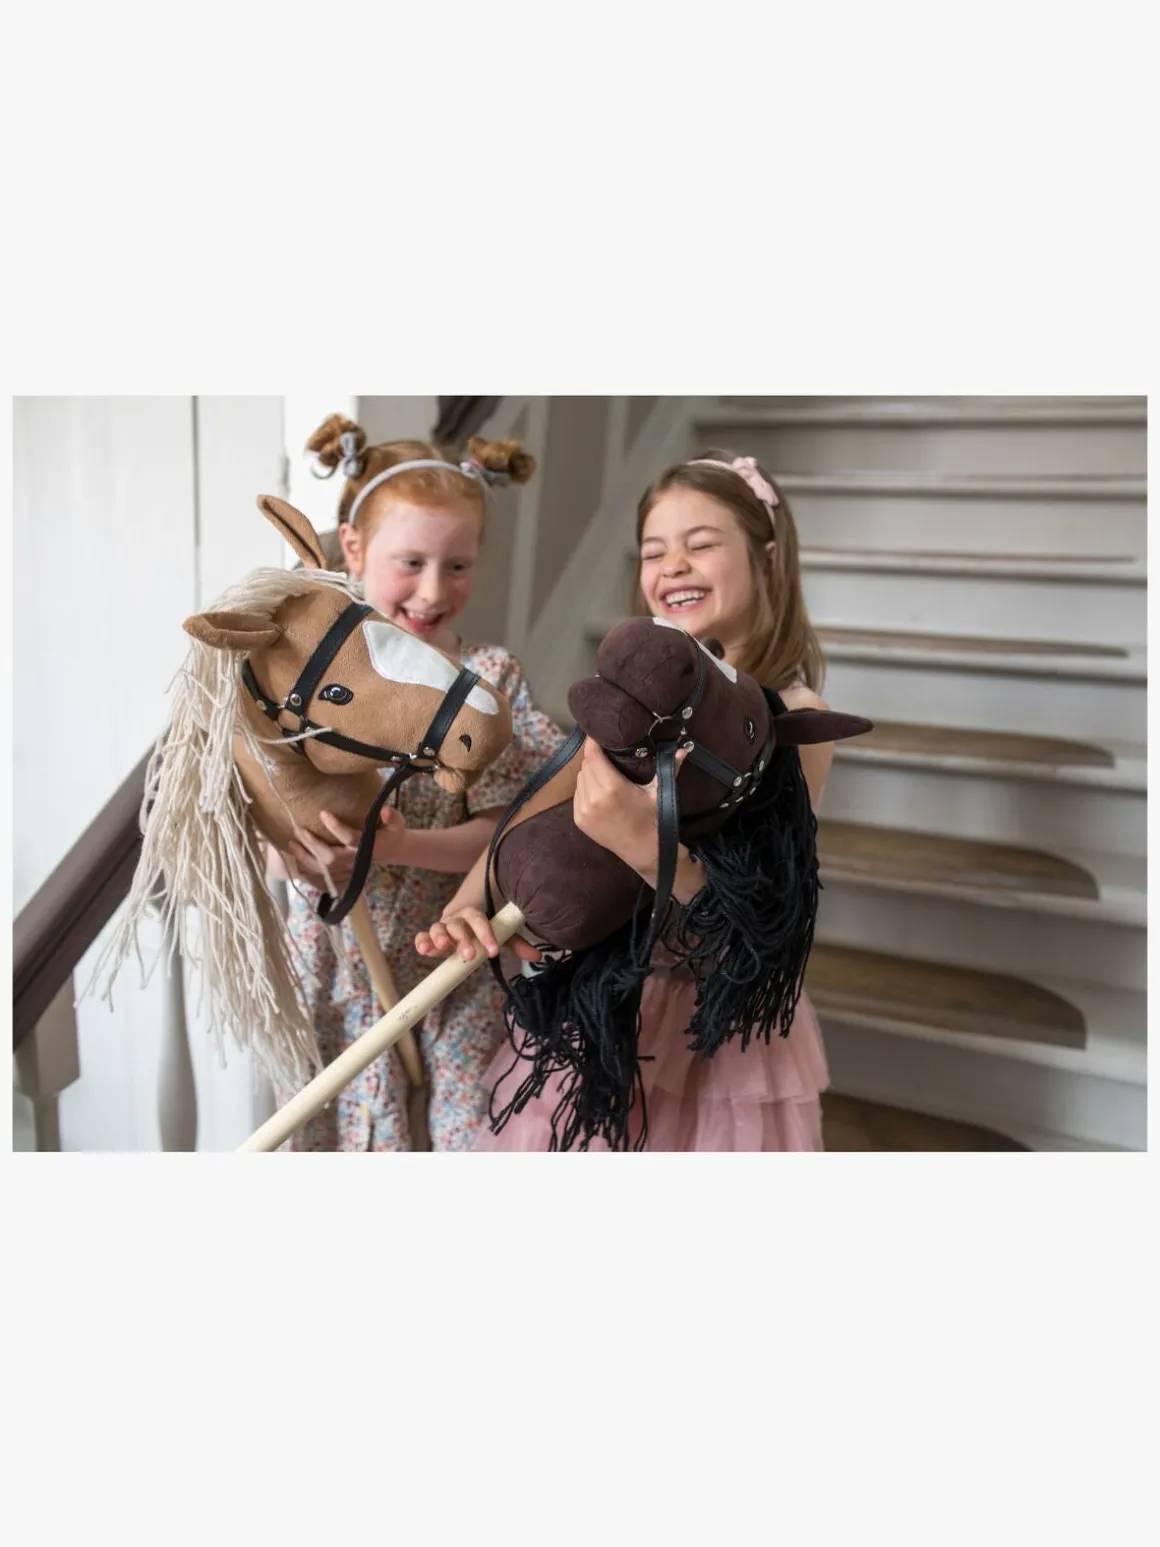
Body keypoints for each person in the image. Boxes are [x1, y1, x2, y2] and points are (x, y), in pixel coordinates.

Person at [416, 449, 835, 1150]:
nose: (673, 565)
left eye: (701, 544)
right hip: (600, 1006)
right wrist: (470, 898)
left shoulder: (795, 717)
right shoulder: (637, 700)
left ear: (767, 559)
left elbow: (761, 915)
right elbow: (532, 808)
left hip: (710, 1030)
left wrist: (641, 842)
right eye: (653, 551)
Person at [274, 414, 566, 1150]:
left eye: (457, 566)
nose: (434, 591)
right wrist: (295, 853)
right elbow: (279, 812)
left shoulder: (489, 683)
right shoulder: (314, 684)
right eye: (411, 562)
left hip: (451, 967)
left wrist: (401, 847)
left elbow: (506, 833)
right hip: (338, 965)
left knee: (461, 1133)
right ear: (354, 547)